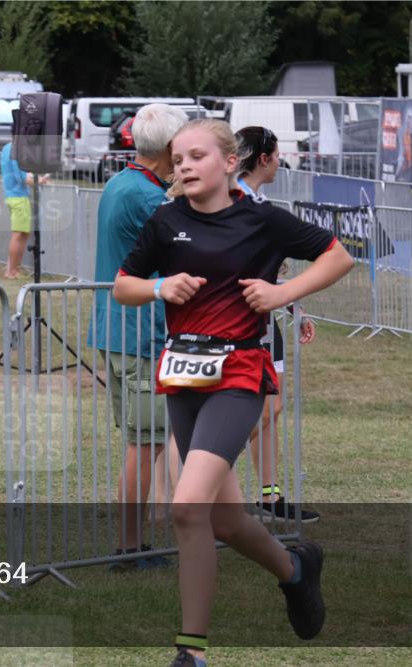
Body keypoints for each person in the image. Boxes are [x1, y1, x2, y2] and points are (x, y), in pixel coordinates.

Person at [114, 119, 353, 667]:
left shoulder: (261, 219)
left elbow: (339, 256)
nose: (185, 167)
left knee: (186, 506)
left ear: (228, 162)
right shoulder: (165, 221)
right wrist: (158, 286)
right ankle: (295, 571)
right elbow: (124, 285)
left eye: (197, 156)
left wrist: (281, 292)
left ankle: (191, 652)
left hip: (239, 376)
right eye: (177, 160)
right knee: (221, 520)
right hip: (182, 379)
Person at [89, 104, 188, 571]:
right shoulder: (147, 197)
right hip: (139, 333)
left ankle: (134, 543)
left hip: (119, 329)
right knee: (145, 443)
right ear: (170, 149)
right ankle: (130, 548)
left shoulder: (121, 183)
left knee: (142, 440)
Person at [235, 126, 320, 524]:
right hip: (240, 326)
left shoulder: (261, 202)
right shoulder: (234, 201)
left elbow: (270, 275)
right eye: (277, 153)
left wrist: (294, 308)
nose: (280, 161)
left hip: (267, 320)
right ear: (264, 158)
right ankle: (202, 464)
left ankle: (270, 495)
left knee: (272, 409)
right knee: (268, 405)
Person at [0, 140, 37, 279]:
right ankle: (12, 271)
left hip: (12, 195)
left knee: (23, 234)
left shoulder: (6, 147)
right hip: (19, 197)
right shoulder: (17, 149)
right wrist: (39, 180)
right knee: (19, 234)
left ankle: (12, 268)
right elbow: (22, 177)